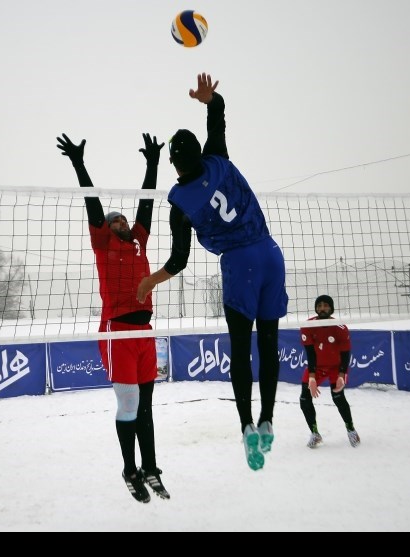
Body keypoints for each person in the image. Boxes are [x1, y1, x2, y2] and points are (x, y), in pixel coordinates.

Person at [137, 74, 289, 471]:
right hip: (271, 254)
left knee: (241, 350)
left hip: (240, 264)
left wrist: (152, 280)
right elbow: (217, 117)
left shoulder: (180, 205)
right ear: (199, 154)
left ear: (173, 162)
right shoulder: (217, 159)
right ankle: (268, 420)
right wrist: (209, 98)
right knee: (268, 345)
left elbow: (179, 260)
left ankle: (246, 428)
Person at [57, 131, 170, 504]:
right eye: (115, 220)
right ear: (106, 227)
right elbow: (92, 203)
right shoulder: (103, 242)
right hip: (117, 331)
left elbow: (147, 206)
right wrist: (79, 163)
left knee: (147, 407)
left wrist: (152, 164)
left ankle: (151, 467)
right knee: (128, 406)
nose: (122, 221)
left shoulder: (138, 239)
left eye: (123, 218)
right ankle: (129, 469)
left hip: (145, 330)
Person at [299, 294, 360, 448]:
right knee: (304, 399)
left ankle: (351, 430)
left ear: (331, 308)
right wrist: (312, 377)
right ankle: (315, 433)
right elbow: (310, 353)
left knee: (338, 398)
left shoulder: (340, 327)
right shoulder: (308, 325)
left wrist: (341, 374)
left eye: (326, 305)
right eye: (319, 306)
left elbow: (345, 354)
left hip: (335, 367)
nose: (322, 308)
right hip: (317, 367)